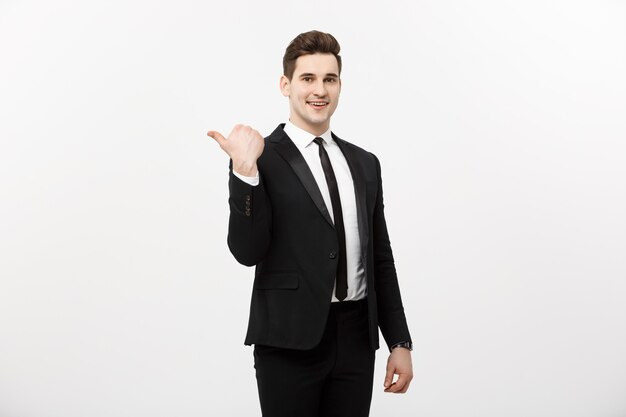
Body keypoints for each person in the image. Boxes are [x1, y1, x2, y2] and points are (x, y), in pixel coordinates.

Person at [208, 30, 413, 417]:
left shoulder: (365, 163)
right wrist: (244, 171)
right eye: (308, 79)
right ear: (286, 85)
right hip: (288, 341)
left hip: (355, 339)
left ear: (339, 85)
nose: (319, 90)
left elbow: (380, 258)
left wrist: (399, 341)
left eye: (329, 79)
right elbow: (247, 252)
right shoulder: (260, 158)